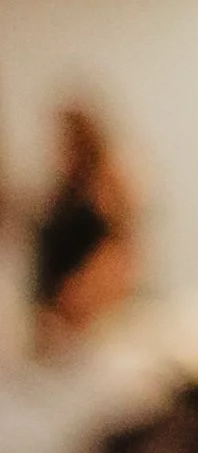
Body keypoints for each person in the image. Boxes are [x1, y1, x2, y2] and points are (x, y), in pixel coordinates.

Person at [30, 101, 138, 342]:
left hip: (93, 320)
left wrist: (82, 297)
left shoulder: (105, 190)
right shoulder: (61, 194)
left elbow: (120, 254)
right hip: (56, 323)